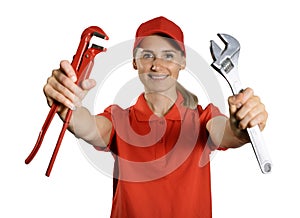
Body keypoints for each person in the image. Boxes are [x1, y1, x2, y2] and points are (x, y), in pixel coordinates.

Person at [44, 16, 268, 218]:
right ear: (135, 63)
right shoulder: (118, 119)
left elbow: (226, 132)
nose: (157, 65)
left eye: (168, 56)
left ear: (182, 62)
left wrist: (242, 127)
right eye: (147, 55)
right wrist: (68, 108)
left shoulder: (203, 118)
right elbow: (89, 127)